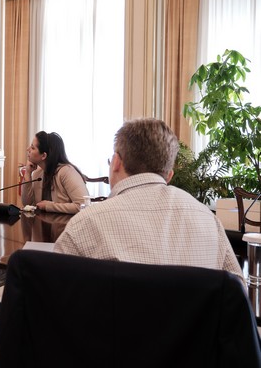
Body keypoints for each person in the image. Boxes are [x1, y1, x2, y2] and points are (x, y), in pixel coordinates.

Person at [54, 118, 243, 280]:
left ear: (116, 162)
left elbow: (53, 295)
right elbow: (236, 293)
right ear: (169, 175)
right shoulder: (209, 220)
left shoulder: (85, 223)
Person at [20, 131, 89, 214]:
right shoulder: (37, 173)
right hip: (45, 221)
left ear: (43, 156)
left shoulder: (66, 171)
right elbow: (27, 204)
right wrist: (27, 174)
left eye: (32, 148)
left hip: (67, 222)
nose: (28, 149)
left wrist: (49, 206)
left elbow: (83, 206)